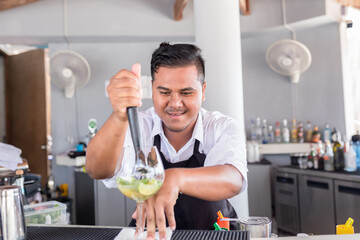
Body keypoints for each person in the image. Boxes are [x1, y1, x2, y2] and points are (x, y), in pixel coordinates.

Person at [86, 42, 247, 239]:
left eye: (186, 93)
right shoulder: (138, 125)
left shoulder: (221, 127)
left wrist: (174, 178)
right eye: (164, 92)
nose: (175, 104)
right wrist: (119, 115)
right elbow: (96, 169)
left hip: (213, 233)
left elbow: (233, 180)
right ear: (152, 89)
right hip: (151, 234)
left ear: (203, 91)